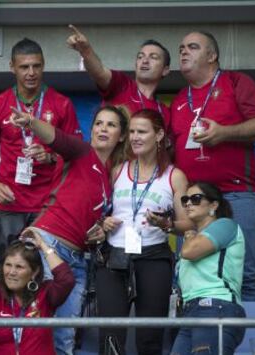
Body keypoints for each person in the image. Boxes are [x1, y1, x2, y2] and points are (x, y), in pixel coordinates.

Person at [9, 104, 129, 355]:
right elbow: (57, 138)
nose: (103, 129)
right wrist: (31, 121)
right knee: (38, 329)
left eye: (111, 125)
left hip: (77, 261)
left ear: (123, 136)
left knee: (64, 336)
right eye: (99, 123)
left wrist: (99, 231)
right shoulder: (83, 152)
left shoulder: (110, 178)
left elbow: (89, 215)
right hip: (48, 245)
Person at [170, 30, 255, 301]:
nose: (183, 51)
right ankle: (196, 339)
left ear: (212, 55)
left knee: (246, 273)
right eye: (181, 47)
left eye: (192, 47)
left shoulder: (236, 82)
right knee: (189, 270)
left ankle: (253, 343)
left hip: (235, 193)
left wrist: (224, 133)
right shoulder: (180, 98)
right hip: (194, 200)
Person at [0, 38, 82, 268]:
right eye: (24, 67)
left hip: (50, 206)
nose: (31, 73)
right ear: (12, 67)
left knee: (48, 275)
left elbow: (78, 156)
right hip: (10, 206)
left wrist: (51, 156)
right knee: (7, 273)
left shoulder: (61, 104)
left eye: (37, 66)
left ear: (43, 65)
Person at [95, 109, 192, 355]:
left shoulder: (175, 176)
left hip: (153, 257)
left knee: (149, 337)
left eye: (142, 132)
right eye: (131, 132)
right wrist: (104, 222)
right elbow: (99, 210)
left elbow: (188, 225)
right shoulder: (118, 170)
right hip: (114, 257)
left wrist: (166, 225)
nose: (135, 137)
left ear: (159, 135)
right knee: (110, 336)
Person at [171, 181, 246, 355]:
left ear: (214, 204)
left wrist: (188, 235)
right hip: (191, 311)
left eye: (196, 198)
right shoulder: (194, 237)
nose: (188, 203)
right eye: (185, 200)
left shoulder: (225, 225)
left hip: (215, 307)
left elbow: (190, 252)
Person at [66, 25, 171, 127]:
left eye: (153, 57)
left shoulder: (164, 111)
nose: (145, 61)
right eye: (140, 56)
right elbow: (99, 72)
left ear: (165, 70)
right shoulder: (123, 85)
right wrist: (86, 51)